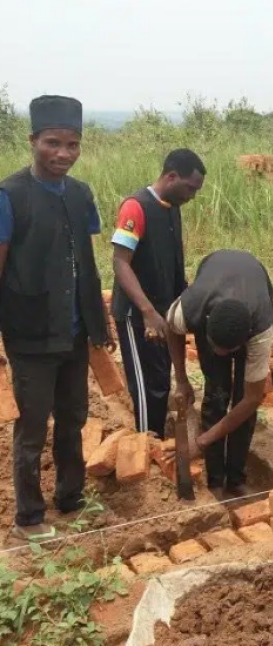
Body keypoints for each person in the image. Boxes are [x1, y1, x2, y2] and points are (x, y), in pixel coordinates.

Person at [0, 95, 113, 542]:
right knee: (32, 427)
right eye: (53, 143)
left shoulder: (81, 194)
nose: (63, 153)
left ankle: (71, 497)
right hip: (30, 332)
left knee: (74, 416)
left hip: (73, 329)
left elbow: (84, 260)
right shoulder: (10, 196)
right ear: (33, 141)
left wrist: (98, 321)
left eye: (72, 144)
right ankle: (29, 516)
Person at [110, 148, 206, 439]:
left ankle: (157, 440)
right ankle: (145, 445)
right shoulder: (135, 207)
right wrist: (148, 312)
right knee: (146, 384)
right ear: (171, 176)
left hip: (163, 311)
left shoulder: (172, 209)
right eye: (190, 188)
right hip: (137, 314)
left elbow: (173, 263)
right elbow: (120, 262)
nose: (192, 195)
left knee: (161, 379)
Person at [165, 249, 273, 496]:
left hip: (253, 286)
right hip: (215, 278)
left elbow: (252, 399)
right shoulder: (192, 306)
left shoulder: (260, 329)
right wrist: (181, 380)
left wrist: (201, 441)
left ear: (243, 343)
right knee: (216, 392)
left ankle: (235, 479)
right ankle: (215, 480)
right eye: (214, 346)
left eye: (226, 350)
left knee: (241, 402)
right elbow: (171, 329)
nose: (218, 352)